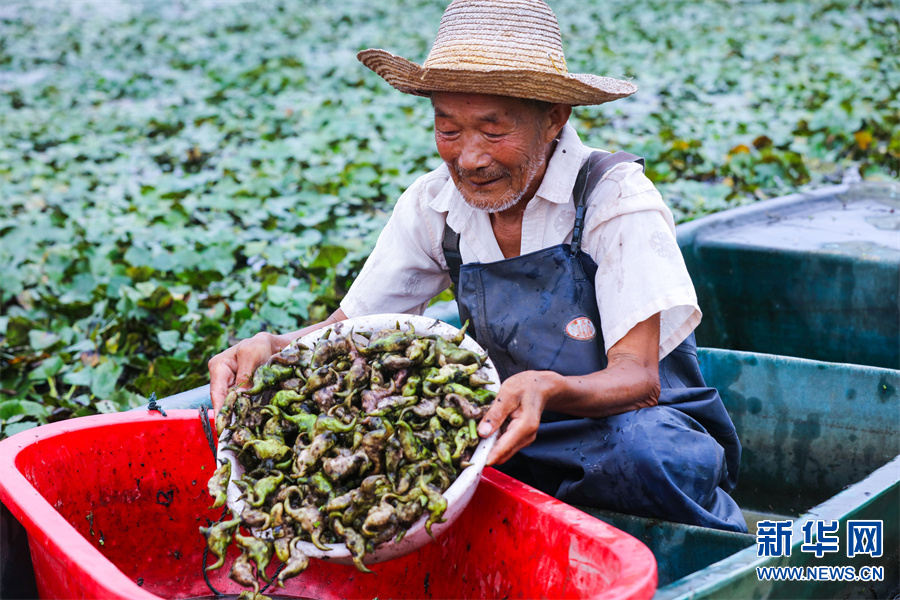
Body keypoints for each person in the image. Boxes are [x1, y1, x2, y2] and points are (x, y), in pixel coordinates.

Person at [209, 0, 747, 533]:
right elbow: (346, 333)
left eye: (493, 132)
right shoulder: (433, 205)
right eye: (449, 129)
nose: (468, 158)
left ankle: (715, 558)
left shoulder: (613, 197)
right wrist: (274, 346)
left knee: (645, 453)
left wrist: (547, 388)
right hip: (504, 428)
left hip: (633, 427)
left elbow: (639, 378)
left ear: (554, 118)